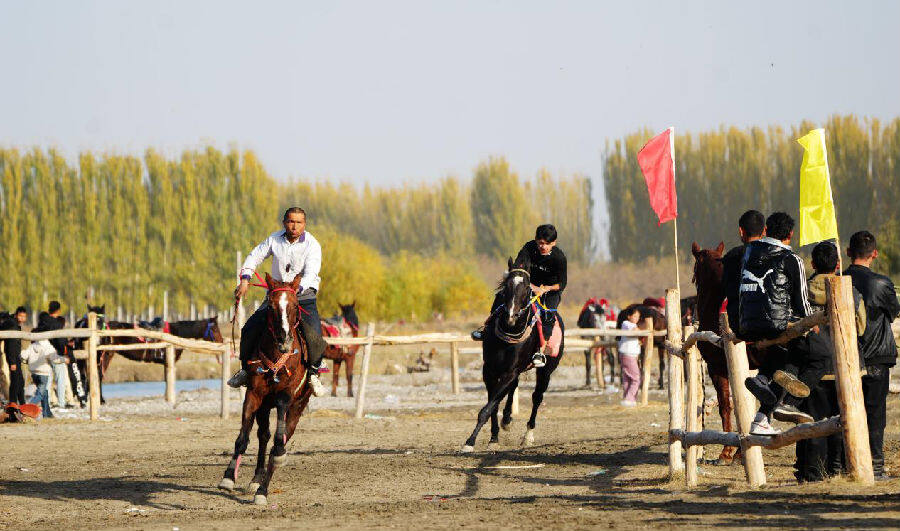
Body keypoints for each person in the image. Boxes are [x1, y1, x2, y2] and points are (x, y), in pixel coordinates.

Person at [227, 207, 327, 397]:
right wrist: (245, 279)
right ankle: (245, 371)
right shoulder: (274, 239)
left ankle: (313, 373)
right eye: (290, 221)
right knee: (249, 328)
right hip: (276, 297)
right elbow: (254, 256)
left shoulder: (312, 245)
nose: (294, 226)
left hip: (302, 297)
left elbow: (311, 273)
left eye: (298, 222)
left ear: (304, 224)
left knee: (315, 334)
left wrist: (294, 289)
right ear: (284, 222)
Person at [794, 241, 866, 482]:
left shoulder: (802, 292)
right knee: (846, 421)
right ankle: (842, 470)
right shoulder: (851, 291)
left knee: (812, 422)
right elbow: (860, 326)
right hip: (845, 367)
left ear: (812, 263)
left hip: (813, 369)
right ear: (837, 264)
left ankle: (812, 473)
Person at [739, 212, 813, 435]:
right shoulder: (792, 259)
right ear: (790, 234)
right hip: (777, 323)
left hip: (747, 323)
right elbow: (802, 300)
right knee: (802, 352)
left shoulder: (748, 252)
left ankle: (762, 381)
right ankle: (784, 402)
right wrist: (809, 322)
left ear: (766, 230)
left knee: (778, 355)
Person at [844, 230, 900, 479]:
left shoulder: (838, 280)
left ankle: (846, 463)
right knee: (876, 413)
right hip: (877, 355)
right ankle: (876, 466)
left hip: (846, 356)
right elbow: (893, 312)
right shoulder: (882, 283)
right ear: (874, 254)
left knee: (845, 411)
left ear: (847, 252)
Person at [471, 224, 567, 368]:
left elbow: (562, 283)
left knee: (547, 315)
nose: (543, 246)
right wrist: (523, 283)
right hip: (528, 285)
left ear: (554, 243)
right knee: (501, 298)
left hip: (549, 292)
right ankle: (486, 330)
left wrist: (544, 289)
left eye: (547, 244)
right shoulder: (528, 247)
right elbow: (517, 266)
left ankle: (540, 351)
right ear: (535, 240)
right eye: (540, 243)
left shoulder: (559, 257)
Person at [721, 210, 765, 332]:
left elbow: (724, 289)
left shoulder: (730, 258)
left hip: (739, 326)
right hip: (768, 324)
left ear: (741, 231)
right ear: (765, 231)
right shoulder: (773, 254)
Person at [21, 337, 65, 419]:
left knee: (44, 393)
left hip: (34, 374)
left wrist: (28, 362)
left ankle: (47, 413)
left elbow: (23, 355)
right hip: (43, 374)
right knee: (40, 394)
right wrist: (64, 359)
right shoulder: (48, 346)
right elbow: (55, 359)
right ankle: (26, 410)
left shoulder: (32, 345)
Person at [2, 307, 28, 404]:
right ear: (16, 315)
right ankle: (13, 402)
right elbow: (11, 345)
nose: (22, 318)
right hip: (12, 356)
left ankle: (21, 402)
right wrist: (12, 362)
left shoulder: (15, 325)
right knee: (15, 381)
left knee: (20, 380)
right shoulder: (12, 325)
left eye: (24, 316)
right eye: (20, 316)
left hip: (16, 356)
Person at [617, 307, 642, 406]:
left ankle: (627, 398)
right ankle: (629, 399)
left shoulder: (632, 324)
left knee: (628, 378)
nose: (636, 318)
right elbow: (635, 330)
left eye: (638, 317)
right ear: (629, 316)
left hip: (628, 354)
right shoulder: (626, 323)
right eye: (635, 316)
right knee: (636, 378)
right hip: (628, 354)